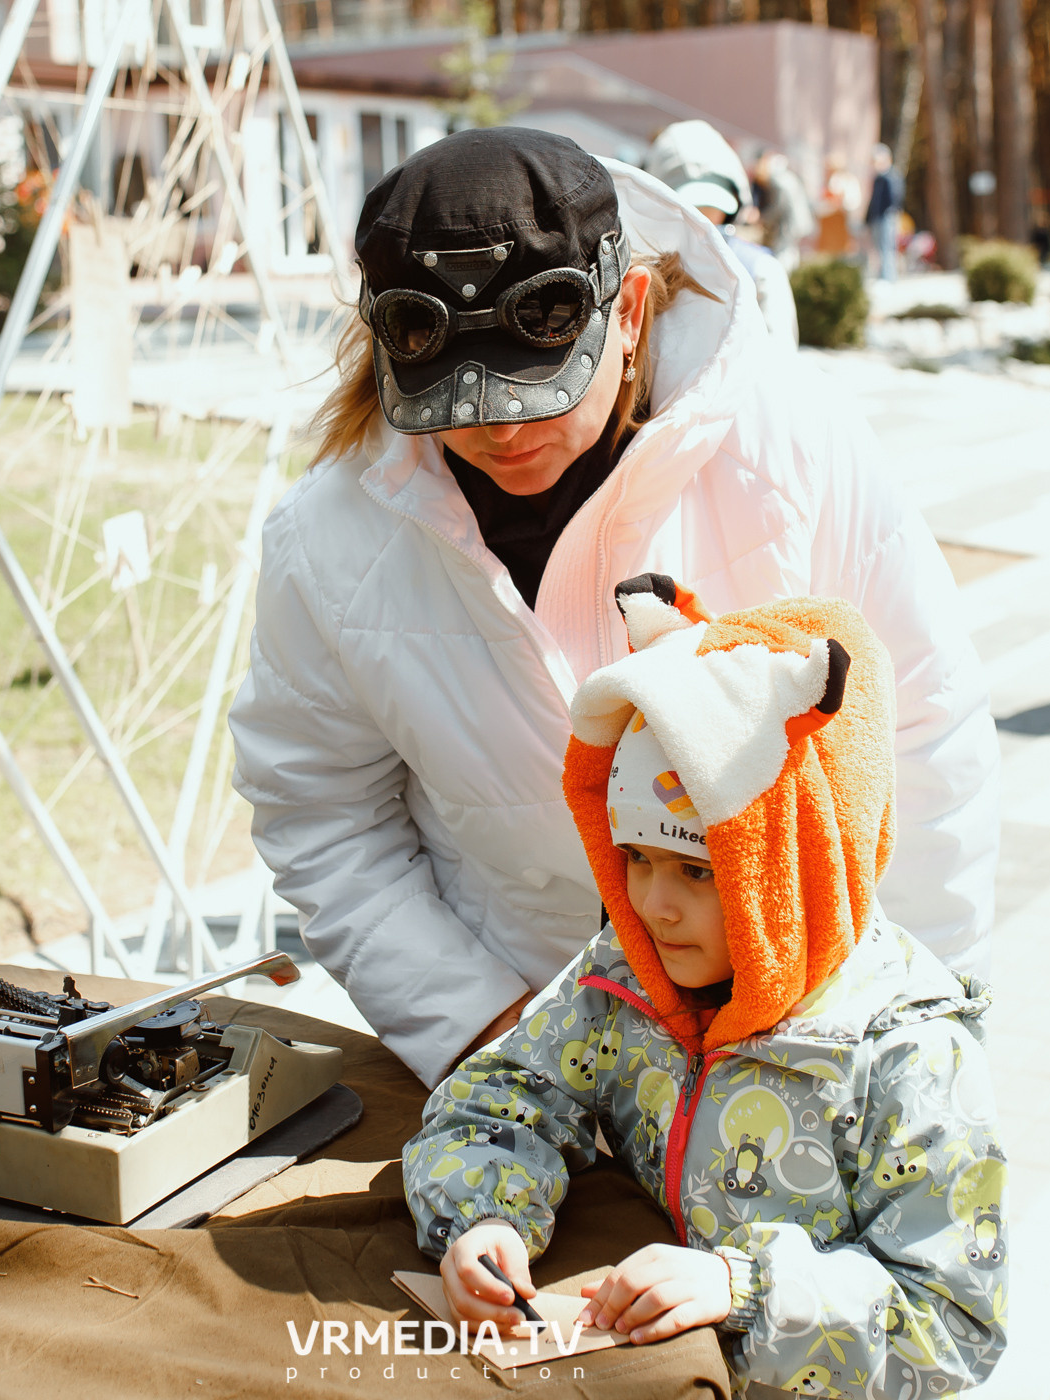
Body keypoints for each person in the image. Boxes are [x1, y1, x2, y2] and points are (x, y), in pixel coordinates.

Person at [228, 127, 998, 1087]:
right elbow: (321, 811)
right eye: (459, 404)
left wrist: (917, 1024)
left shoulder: (794, 454)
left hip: (809, 1042)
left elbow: (929, 740)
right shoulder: (330, 537)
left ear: (628, 310)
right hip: (524, 1058)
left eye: (541, 390)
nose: (503, 432)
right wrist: (479, 1028)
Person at [403, 587, 1007, 1395]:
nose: (652, 903)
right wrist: (484, 1217)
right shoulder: (624, 977)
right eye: (637, 859)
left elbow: (956, 1325)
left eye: (696, 869)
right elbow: (500, 1094)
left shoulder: (911, 1053)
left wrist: (744, 1290)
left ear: (793, 870)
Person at [642, 120, 798, 345]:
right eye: (688, 208)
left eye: (712, 207)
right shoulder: (643, 270)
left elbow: (779, 358)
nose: (702, 219)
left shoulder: (759, 269)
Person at [755, 151, 816, 271]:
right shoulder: (790, 178)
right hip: (799, 223)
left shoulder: (778, 181)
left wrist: (763, 218)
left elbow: (778, 207)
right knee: (791, 252)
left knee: (783, 254)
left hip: (789, 225)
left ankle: (782, 279)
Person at [865, 143, 904, 282]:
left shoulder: (892, 176)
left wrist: (890, 214)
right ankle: (882, 275)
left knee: (887, 247)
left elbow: (895, 199)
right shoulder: (878, 178)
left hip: (887, 217)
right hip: (877, 218)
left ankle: (889, 278)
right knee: (879, 249)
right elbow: (873, 201)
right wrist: (867, 219)